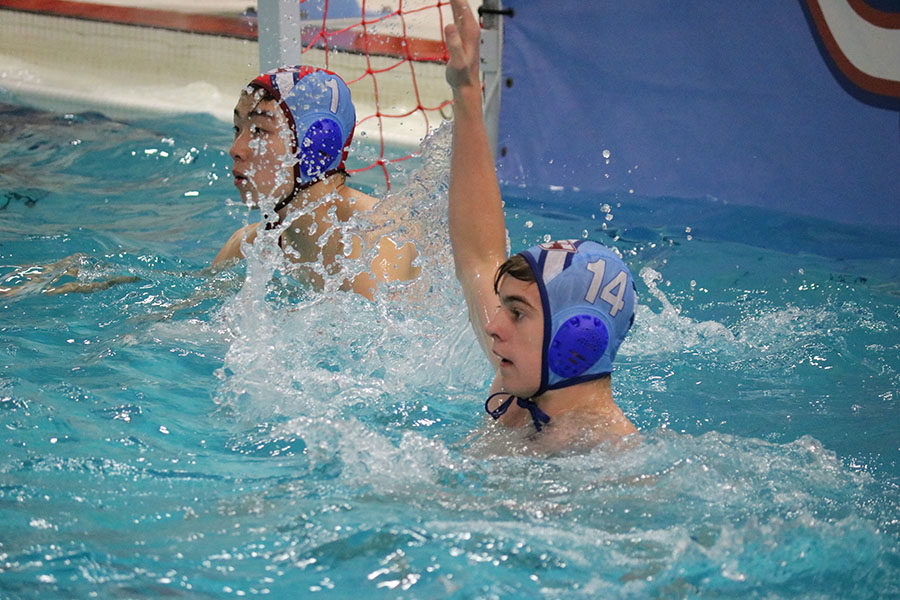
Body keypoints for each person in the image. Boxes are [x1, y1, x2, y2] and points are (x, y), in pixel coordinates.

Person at [444, 0, 638, 450]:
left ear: (576, 339)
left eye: (516, 313)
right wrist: (467, 93)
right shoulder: (518, 394)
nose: (494, 327)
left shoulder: (607, 456)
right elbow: (477, 252)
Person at [213, 65, 420, 300]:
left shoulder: (379, 242)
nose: (235, 150)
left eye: (259, 131)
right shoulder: (248, 245)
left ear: (317, 145)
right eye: (237, 129)